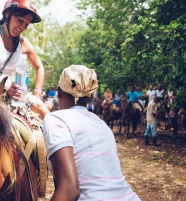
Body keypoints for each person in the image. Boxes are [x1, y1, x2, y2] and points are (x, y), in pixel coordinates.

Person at [43, 65, 141, 201]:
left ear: (59, 92)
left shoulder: (54, 119)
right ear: (90, 97)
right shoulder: (102, 124)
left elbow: (69, 191)